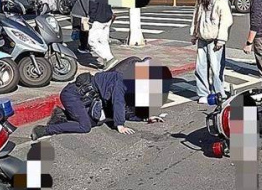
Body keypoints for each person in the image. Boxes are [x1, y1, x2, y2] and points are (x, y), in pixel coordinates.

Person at [30, 57, 168, 140]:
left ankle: (61, 116)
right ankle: (43, 130)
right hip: (72, 95)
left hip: (87, 99)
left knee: (96, 121)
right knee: (85, 126)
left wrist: (144, 118)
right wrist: (120, 125)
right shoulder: (122, 79)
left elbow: (126, 110)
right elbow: (118, 103)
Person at [190, 0, 233, 103]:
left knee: (216, 67)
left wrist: (221, 39)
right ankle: (203, 93)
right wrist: (194, 33)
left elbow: (226, 20)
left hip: (215, 39)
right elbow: (196, 17)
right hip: (202, 37)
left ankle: (218, 93)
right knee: (200, 67)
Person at [88, 0, 116, 68]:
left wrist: (90, 20)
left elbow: (93, 7)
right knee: (103, 40)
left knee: (92, 41)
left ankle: (109, 58)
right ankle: (107, 62)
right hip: (108, 16)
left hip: (98, 19)